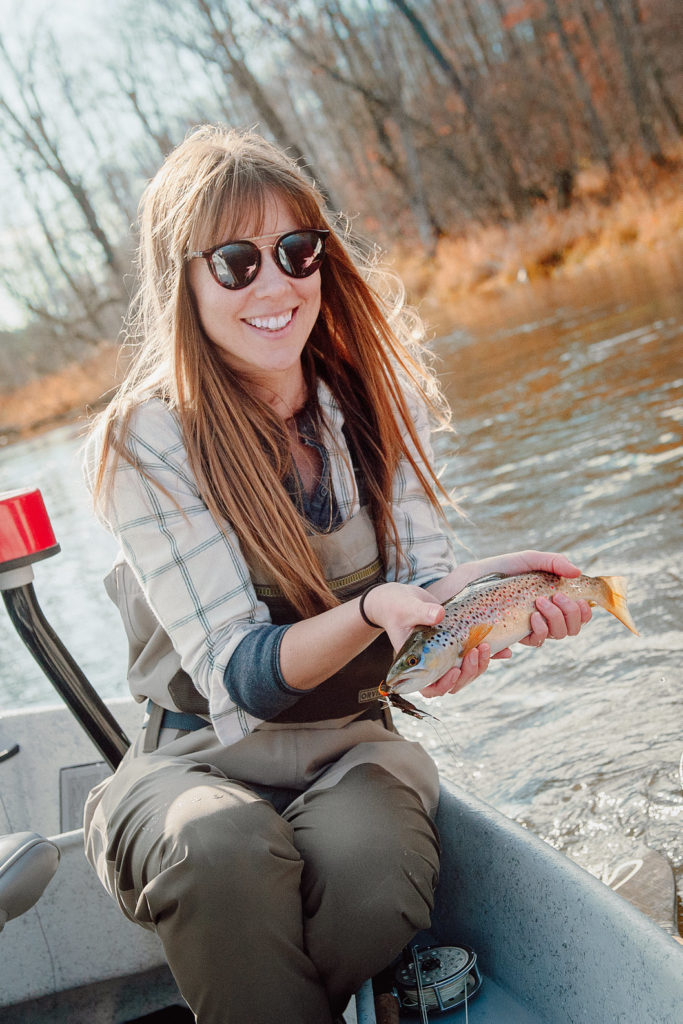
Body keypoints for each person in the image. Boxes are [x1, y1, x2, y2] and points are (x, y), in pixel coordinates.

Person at [82, 125, 592, 1024]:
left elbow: (421, 595)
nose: (276, 283)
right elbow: (238, 671)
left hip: (353, 745)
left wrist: (489, 596)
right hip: (192, 756)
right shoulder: (147, 439)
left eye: (296, 249)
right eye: (236, 261)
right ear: (183, 282)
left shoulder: (378, 398)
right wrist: (369, 613)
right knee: (221, 851)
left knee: (371, 882)